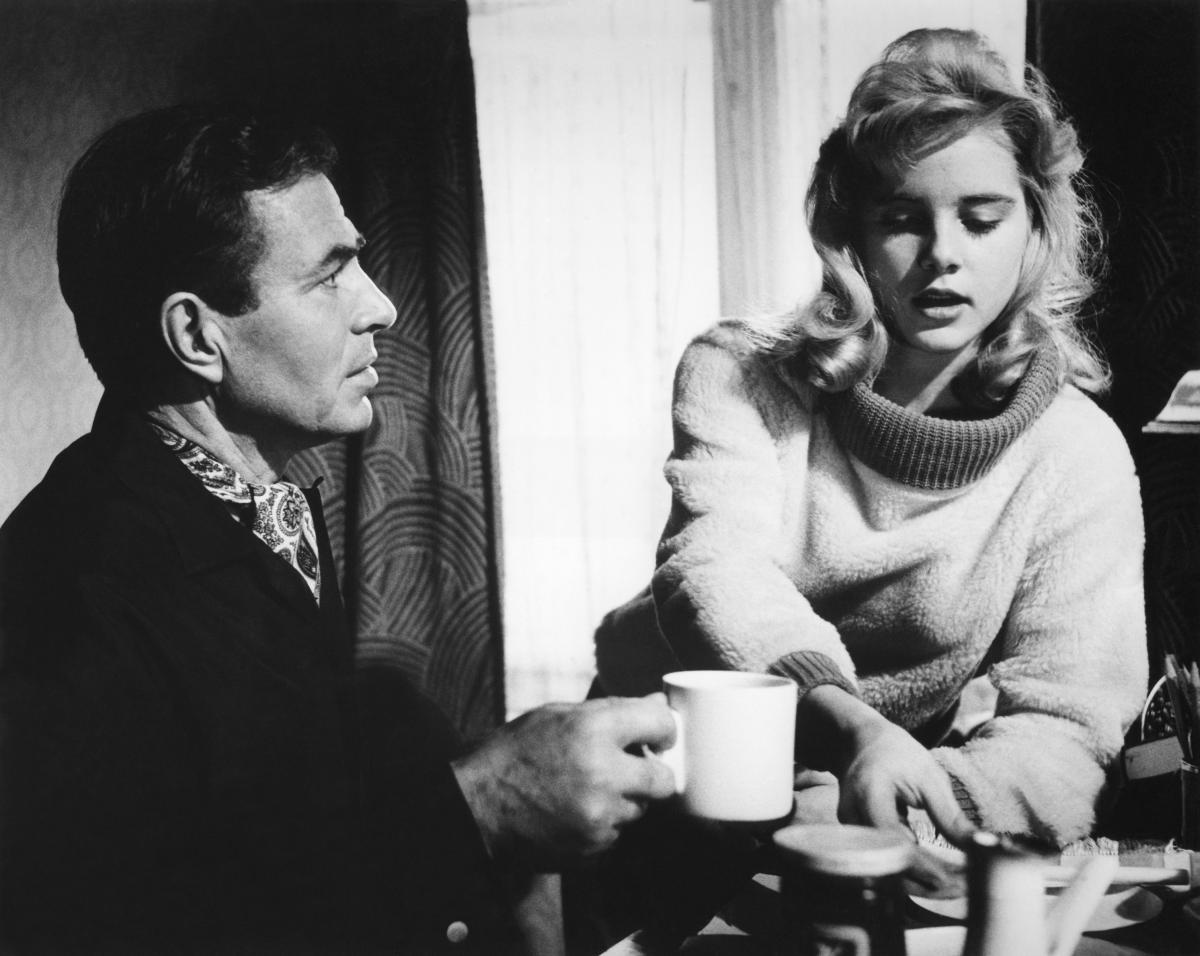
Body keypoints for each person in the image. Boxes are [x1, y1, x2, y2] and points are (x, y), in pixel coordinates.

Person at [0, 102, 678, 955]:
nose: (383, 306)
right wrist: (477, 803)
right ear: (195, 336)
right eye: (329, 277)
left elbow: (288, 822)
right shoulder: (65, 593)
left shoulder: (248, 506)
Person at [595, 28, 1147, 848]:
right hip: (666, 772)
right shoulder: (739, 373)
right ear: (851, 232)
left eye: (981, 217)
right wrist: (855, 727)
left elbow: (1065, 724)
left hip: (860, 793)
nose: (942, 257)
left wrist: (910, 811)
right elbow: (714, 571)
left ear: (1034, 227)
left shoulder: (1079, 454)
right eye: (902, 218)